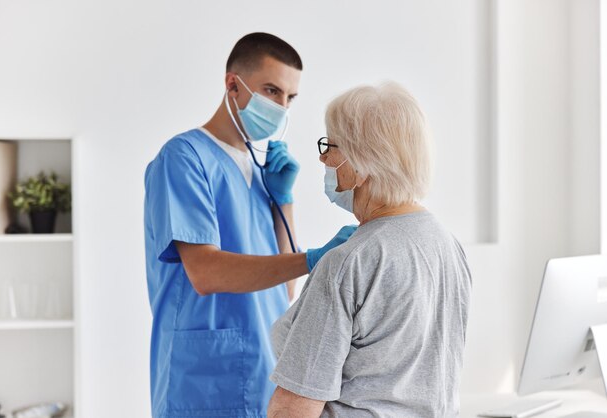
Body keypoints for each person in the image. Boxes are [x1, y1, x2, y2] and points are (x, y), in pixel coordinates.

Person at [143, 33, 356, 418]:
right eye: (271, 90)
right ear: (232, 84)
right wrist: (312, 258)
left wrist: (283, 201)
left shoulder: (259, 172)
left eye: (290, 98)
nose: (280, 106)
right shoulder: (184, 158)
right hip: (203, 379)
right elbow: (205, 273)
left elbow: (284, 287)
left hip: (261, 372)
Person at [267, 82, 473, 417]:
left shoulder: (348, 263)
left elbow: (294, 408)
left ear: (361, 163)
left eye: (330, 146)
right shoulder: (448, 245)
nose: (322, 157)